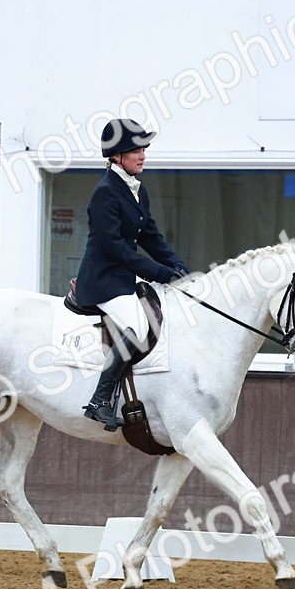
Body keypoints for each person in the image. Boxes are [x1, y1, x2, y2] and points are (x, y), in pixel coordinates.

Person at [75, 118, 189, 431]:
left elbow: (150, 236)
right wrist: (160, 272)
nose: (142, 155)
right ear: (116, 156)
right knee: (138, 328)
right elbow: (116, 249)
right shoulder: (105, 193)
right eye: (135, 150)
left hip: (123, 278)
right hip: (103, 282)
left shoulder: (137, 190)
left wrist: (179, 268)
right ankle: (100, 399)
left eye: (143, 149)